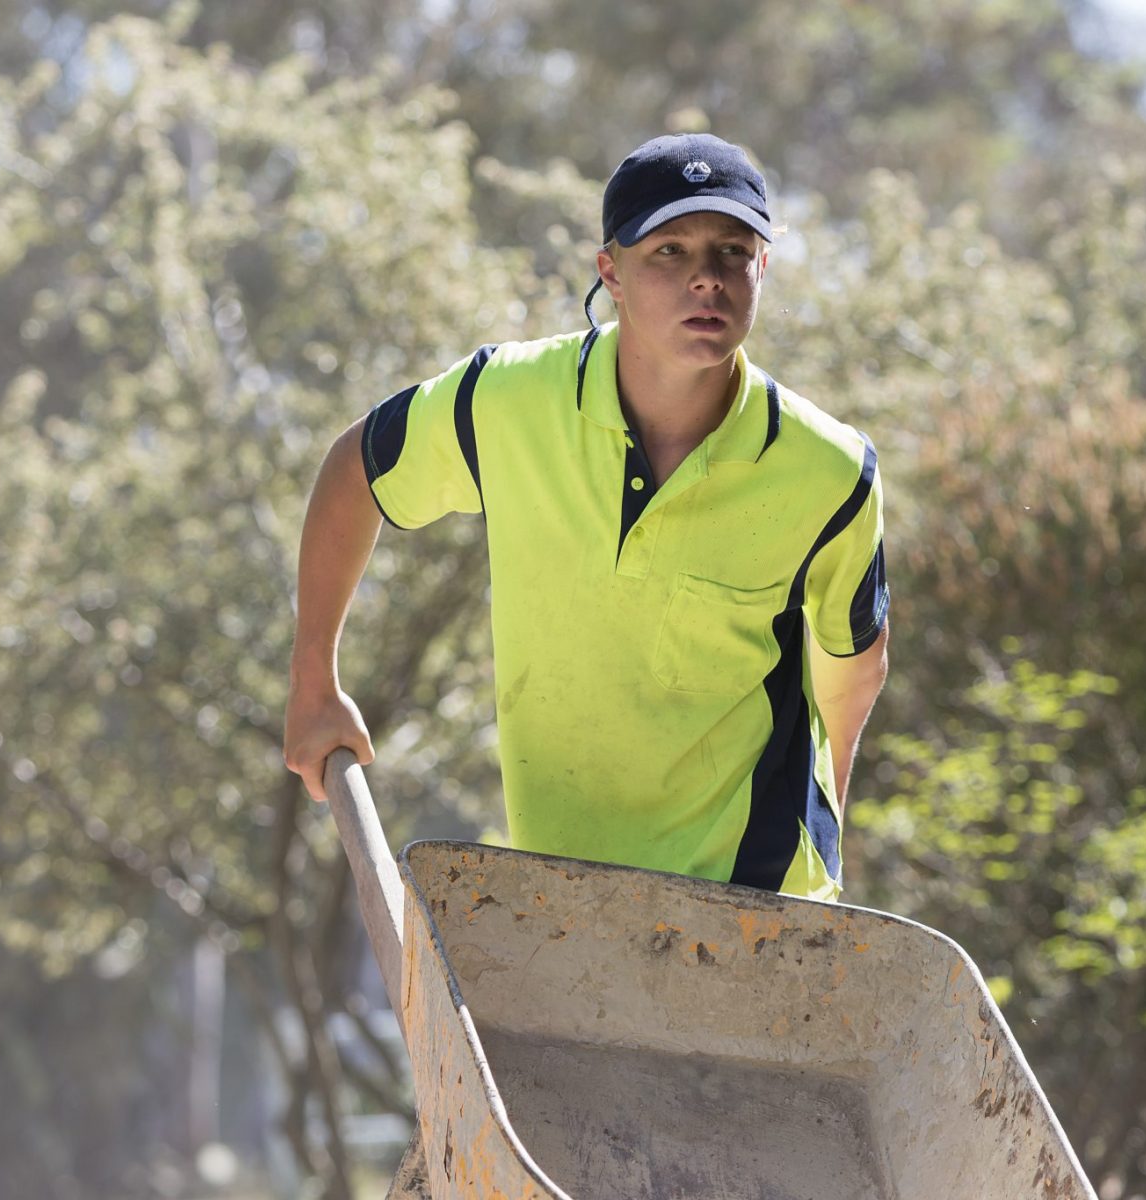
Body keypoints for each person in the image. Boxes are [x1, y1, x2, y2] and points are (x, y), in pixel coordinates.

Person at [282, 133, 889, 901]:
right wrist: (314, 681)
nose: (707, 277)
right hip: (565, 902)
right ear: (611, 273)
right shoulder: (507, 400)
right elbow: (357, 472)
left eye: (733, 251)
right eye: (669, 250)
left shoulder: (830, 471)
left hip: (756, 907)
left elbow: (853, 672)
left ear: (762, 267)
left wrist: (824, 858)